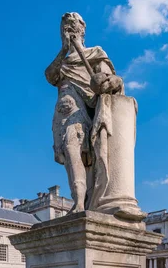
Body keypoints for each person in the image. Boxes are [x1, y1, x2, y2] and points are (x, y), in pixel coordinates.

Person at [45, 12, 123, 213]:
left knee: (74, 152)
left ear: (81, 30)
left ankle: (80, 203)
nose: (68, 31)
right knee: (69, 159)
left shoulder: (94, 53)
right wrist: (64, 50)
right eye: (64, 28)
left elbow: (111, 80)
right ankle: (80, 200)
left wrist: (111, 82)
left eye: (72, 27)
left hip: (80, 112)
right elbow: (50, 75)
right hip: (61, 116)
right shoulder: (61, 61)